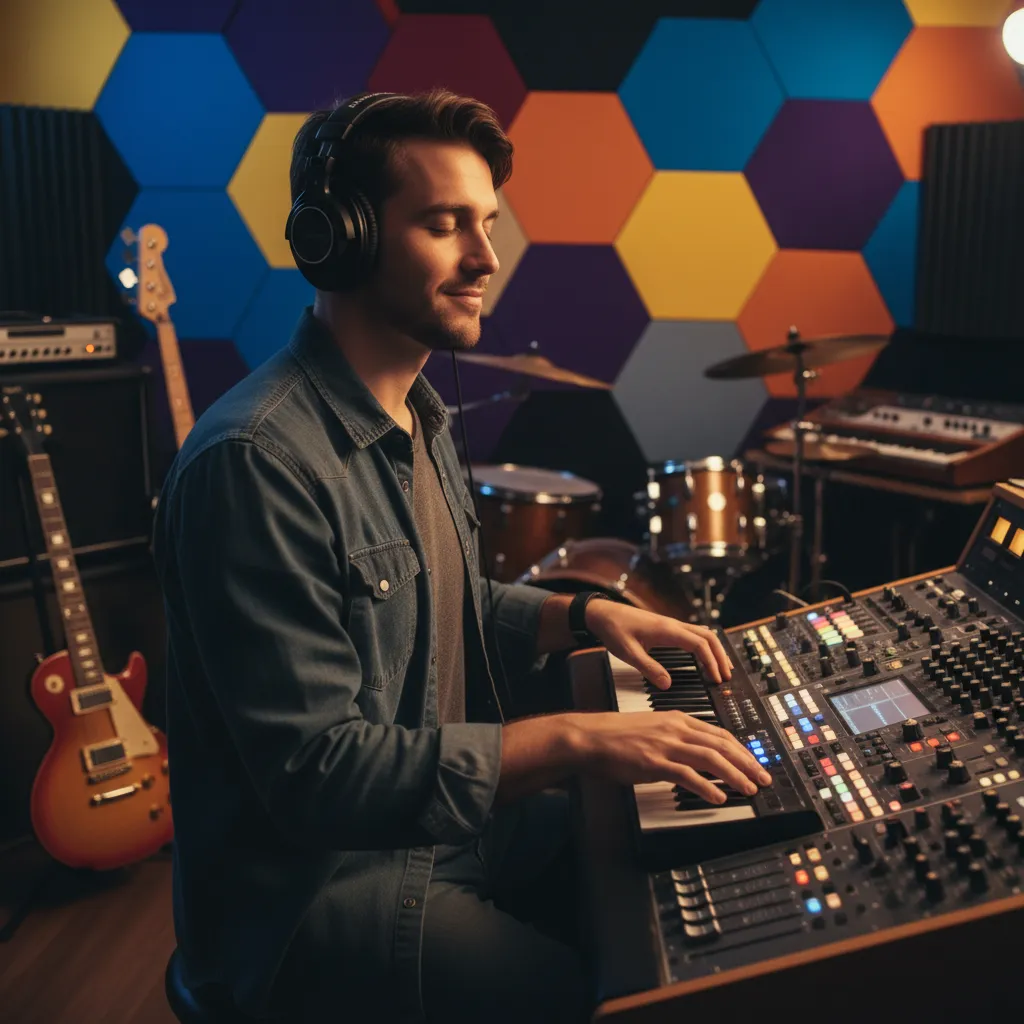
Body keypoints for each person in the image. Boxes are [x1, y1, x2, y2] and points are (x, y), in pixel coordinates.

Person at [151, 88, 773, 1024]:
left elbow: (442, 608)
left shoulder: (420, 413)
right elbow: (318, 776)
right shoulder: (257, 463)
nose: (487, 259)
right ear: (342, 238)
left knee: (689, 863)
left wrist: (584, 613)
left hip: (447, 835)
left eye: (486, 223)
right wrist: (571, 739)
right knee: (618, 997)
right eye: (447, 225)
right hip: (320, 902)